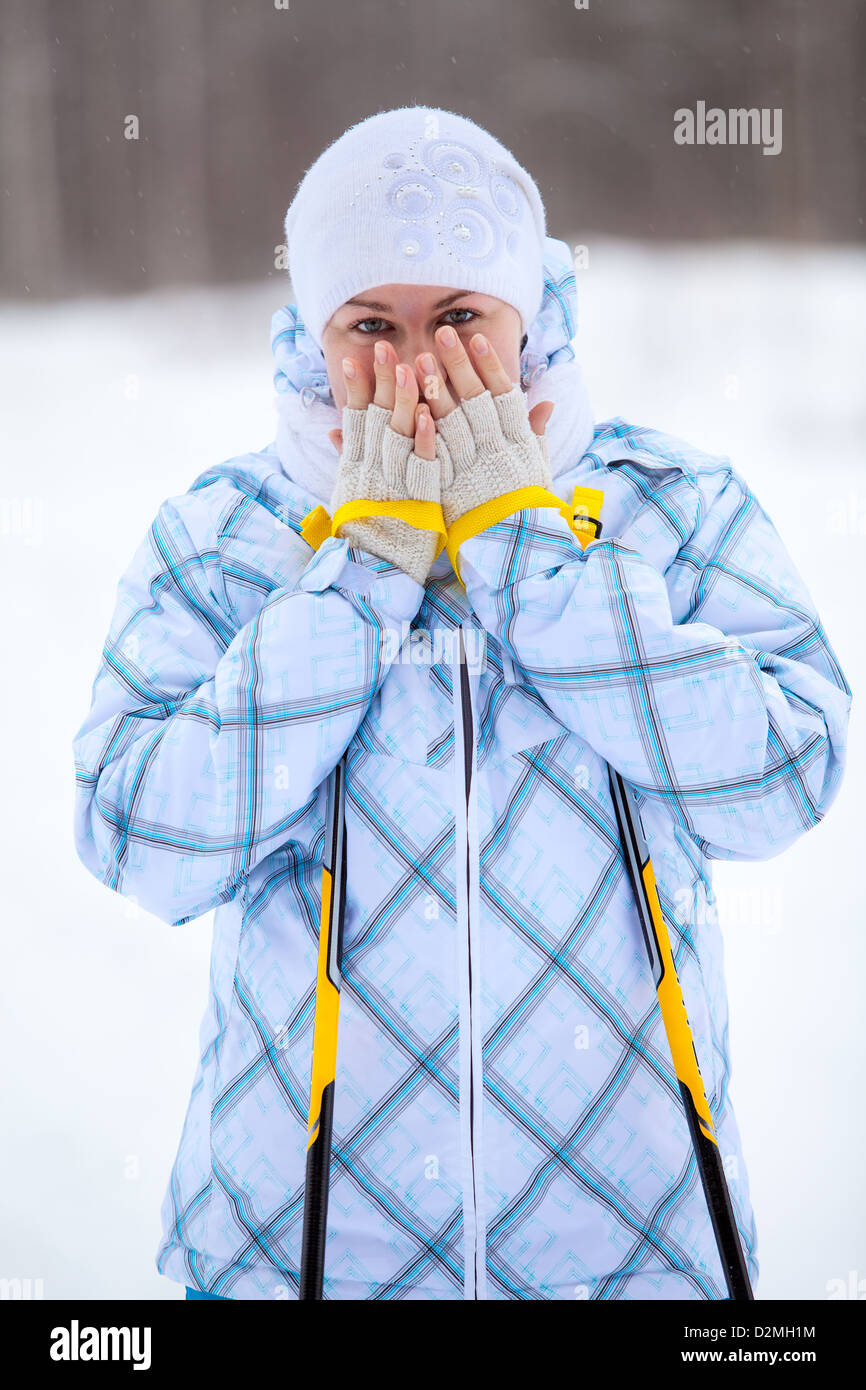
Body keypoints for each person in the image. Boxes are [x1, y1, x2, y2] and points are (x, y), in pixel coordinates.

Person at [72, 105, 851, 1301]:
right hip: (304, 1256)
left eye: (458, 318)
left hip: (629, 1252)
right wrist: (357, 584)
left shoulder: (667, 504)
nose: (415, 365)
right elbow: (139, 842)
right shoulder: (224, 535)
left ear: (524, 318)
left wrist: (531, 560)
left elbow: (780, 781)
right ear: (310, 331)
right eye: (368, 324)